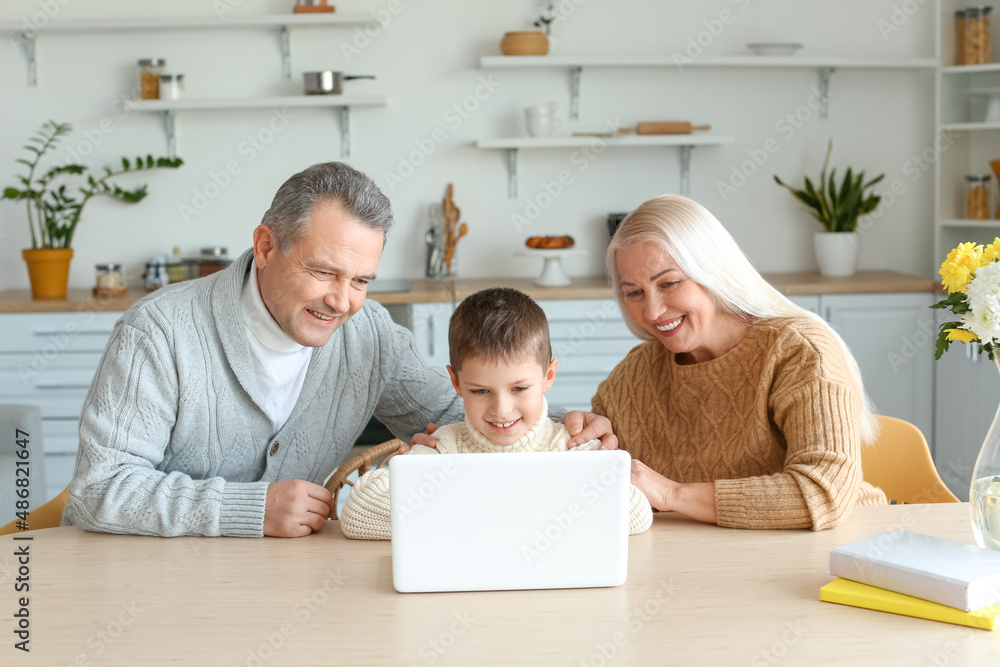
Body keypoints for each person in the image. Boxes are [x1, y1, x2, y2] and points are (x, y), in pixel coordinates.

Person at [64, 163, 614, 538]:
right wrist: (249, 511)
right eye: (324, 272)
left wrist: (569, 427)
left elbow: (473, 415)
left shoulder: (367, 334)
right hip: (149, 590)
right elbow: (99, 489)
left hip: (285, 593)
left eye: (362, 280)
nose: (342, 301)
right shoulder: (160, 331)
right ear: (265, 246)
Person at [594, 194, 887, 531]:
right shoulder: (632, 378)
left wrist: (672, 494)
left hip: (834, 552)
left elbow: (824, 493)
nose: (652, 311)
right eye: (634, 293)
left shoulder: (798, 350)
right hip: (705, 563)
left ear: (711, 270)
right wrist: (574, 437)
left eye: (669, 283)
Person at [339, 287, 653, 540]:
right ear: (456, 383)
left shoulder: (570, 445)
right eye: (480, 391)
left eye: (519, 389)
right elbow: (359, 512)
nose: (501, 410)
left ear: (548, 377)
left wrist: (462, 511)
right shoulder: (445, 446)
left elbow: (636, 512)